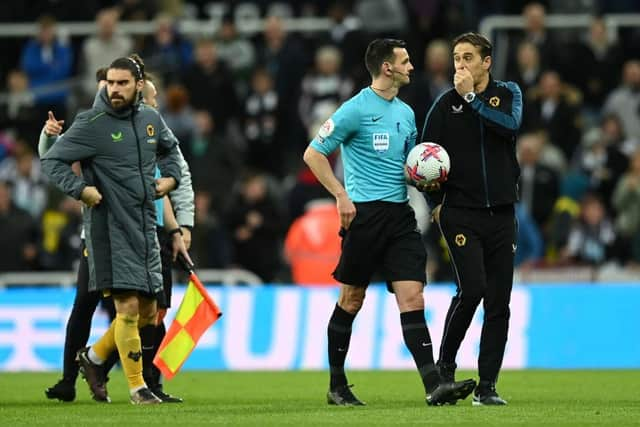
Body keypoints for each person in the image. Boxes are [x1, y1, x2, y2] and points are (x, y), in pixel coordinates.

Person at [303, 38, 476, 407]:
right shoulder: (354, 109)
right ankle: (337, 385)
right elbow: (313, 154)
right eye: (406, 60)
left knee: (412, 296)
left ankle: (434, 386)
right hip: (364, 216)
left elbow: (408, 167)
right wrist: (340, 194)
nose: (412, 66)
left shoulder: (406, 113)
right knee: (352, 298)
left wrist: (426, 180)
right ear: (387, 67)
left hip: (400, 215)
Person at [43, 65, 194, 403]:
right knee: (125, 308)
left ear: (138, 85)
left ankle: (94, 358)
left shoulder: (150, 120)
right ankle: (138, 387)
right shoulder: (91, 123)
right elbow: (52, 161)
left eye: (123, 83)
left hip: (144, 226)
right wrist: (81, 190)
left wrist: (170, 181)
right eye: (111, 83)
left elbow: (172, 154)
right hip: (108, 228)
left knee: (146, 311)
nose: (114, 89)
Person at [421, 32, 523, 406]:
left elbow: (509, 127)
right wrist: (435, 201)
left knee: (499, 301)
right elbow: (422, 157)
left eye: (467, 57)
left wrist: (472, 99)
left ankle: (488, 386)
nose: (459, 65)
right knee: (472, 289)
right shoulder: (444, 105)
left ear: (486, 62)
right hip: (460, 212)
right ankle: (443, 373)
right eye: (455, 58)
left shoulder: (508, 93)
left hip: (501, 213)